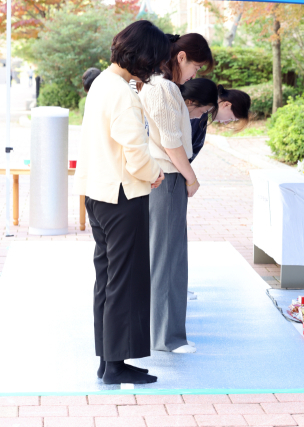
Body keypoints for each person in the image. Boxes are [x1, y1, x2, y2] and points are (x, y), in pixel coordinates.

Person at [74, 20, 168, 385]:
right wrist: (152, 174)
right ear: (143, 56)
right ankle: (115, 364)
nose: (155, 69)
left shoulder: (102, 83)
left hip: (98, 192)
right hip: (122, 195)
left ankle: (108, 359)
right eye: (154, 61)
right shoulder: (122, 93)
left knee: (108, 279)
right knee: (125, 281)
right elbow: (134, 148)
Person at [139, 33, 214, 354]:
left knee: (163, 256)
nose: (195, 74)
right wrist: (191, 177)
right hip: (166, 179)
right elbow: (171, 141)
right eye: (196, 66)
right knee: (167, 258)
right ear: (181, 57)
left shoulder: (158, 86)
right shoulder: (164, 87)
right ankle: (166, 337)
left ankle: (163, 333)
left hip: (161, 179)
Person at [182, 80, 251, 163]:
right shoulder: (197, 112)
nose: (226, 122)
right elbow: (179, 150)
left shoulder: (202, 114)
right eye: (231, 118)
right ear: (226, 104)